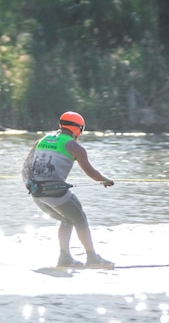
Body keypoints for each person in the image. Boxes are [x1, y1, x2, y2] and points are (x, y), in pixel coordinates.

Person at [22, 111, 115, 268]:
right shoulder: (74, 146)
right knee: (79, 218)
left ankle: (64, 258)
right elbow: (91, 172)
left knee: (67, 219)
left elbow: (25, 167)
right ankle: (92, 258)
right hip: (55, 193)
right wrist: (105, 180)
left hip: (37, 194)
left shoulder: (42, 140)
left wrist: (29, 185)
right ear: (78, 129)